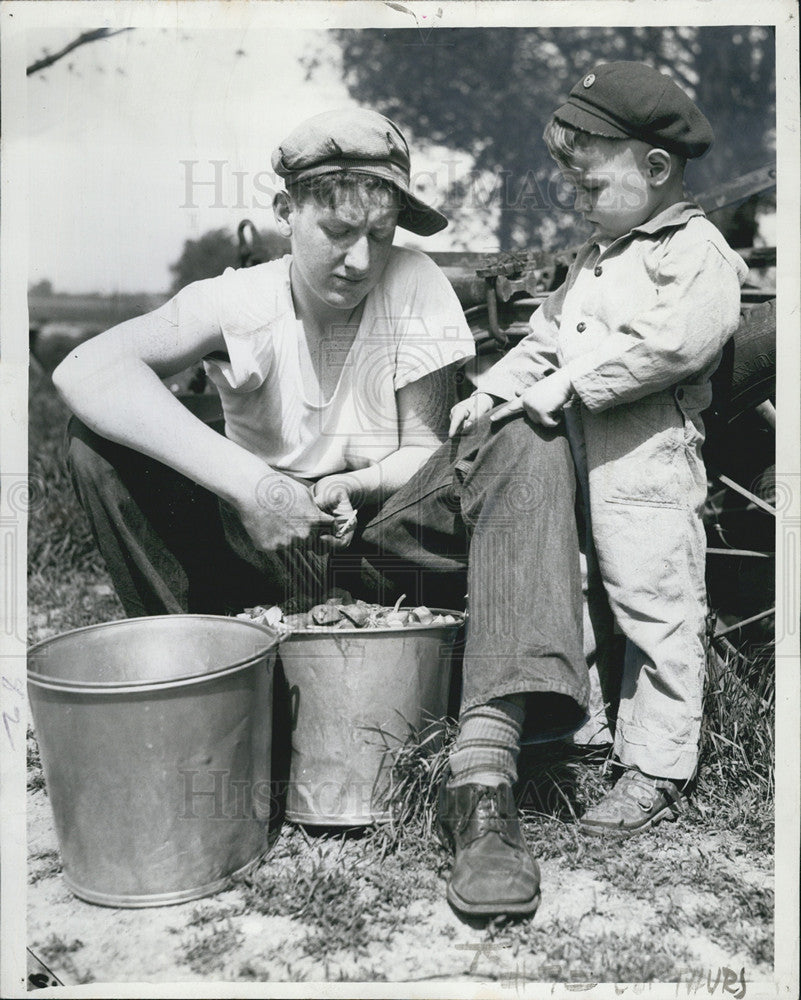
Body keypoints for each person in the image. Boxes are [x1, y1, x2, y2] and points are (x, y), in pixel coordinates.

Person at [54, 108, 589, 919]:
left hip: (386, 543)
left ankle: (482, 780)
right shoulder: (238, 299)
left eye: (379, 233)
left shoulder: (412, 283)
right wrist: (254, 486)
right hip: (264, 556)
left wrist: (362, 483)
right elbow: (85, 369)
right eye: (337, 229)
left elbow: (421, 449)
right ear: (286, 212)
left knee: (523, 437)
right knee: (95, 442)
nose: (359, 258)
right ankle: (210, 700)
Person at [450, 61, 748, 838]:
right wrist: (491, 390)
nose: (576, 201)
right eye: (571, 187)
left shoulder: (690, 252)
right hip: (579, 467)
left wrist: (573, 386)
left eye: (589, 185)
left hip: (646, 467)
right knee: (580, 589)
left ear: (655, 169)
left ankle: (656, 765)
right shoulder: (590, 261)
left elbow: (676, 341)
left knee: (655, 603)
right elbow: (542, 339)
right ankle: (583, 735)